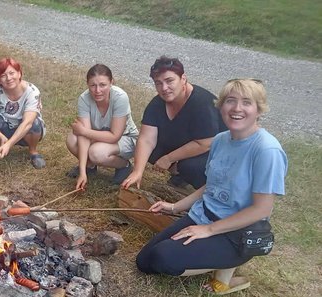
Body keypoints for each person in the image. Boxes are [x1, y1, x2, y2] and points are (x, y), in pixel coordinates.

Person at [135, 79, 287, 295]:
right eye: (230, 101)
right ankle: (210, 254)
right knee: (145, 261)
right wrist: (174, 207)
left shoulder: (266, 150)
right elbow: (211, 186)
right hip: (202, 216)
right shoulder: (221, 140)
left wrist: (209, 230)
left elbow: (261, 209)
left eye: (246, 102)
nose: (236, 108)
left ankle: (226, 268)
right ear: (221, 107)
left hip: (236, 233)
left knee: (163, 258)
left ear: (259, 110)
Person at [121, 56, 226, 190]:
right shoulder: (157, 103)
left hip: (217, 153)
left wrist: (169, 158)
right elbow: (146, 139)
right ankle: (182, 176)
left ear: (183, 79)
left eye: (169, 81)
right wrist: (137, 171)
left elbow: (206, 143)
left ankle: (207, 189)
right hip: (190, 143)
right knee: (152, 151)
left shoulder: (201, 102)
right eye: (158, 83)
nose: (164, 88)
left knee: (189, 166)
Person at [65, 64, 139, 188]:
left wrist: (83, 131)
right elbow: (83, 135)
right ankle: (89, 167)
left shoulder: (120, 97)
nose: (97, 90)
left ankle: (124, 166)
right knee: (72, 139)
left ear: (111, 83)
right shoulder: (84, 98)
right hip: (100, 136)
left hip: (126, 138)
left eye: (102, 85)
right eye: (93, 85)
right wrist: (82, 171)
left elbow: (114, 136)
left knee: (96, 152)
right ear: (87, 84)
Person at [0, 57, 46, 169]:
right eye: (3, 75)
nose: (8, 78)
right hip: (5, 127)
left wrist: (9, 144)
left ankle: (33, 151)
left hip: (26, 130)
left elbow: (27, 123)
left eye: (11, 73)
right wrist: (1, 136)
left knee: (34, 123)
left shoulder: (32, 92)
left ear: (19, 73)